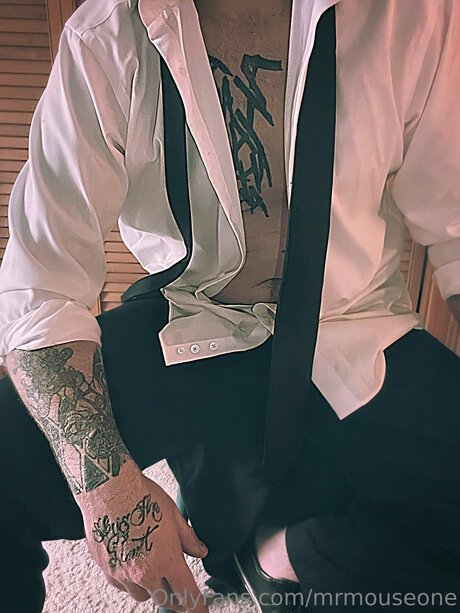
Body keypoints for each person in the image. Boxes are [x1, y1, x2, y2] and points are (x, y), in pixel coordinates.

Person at [0, 0, 459, 611]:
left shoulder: (416, 16)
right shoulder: (105, 35)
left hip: (357, 321)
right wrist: (111, 495)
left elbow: (456, 224)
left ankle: (280, 557)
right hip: (193, 319)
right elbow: (43, 286)